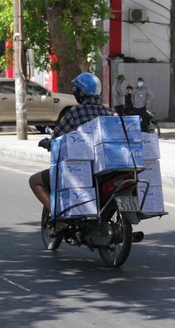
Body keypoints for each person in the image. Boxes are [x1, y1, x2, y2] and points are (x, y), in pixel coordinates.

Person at [29, 73, 115, 232]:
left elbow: (58, 136)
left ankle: (59, 218)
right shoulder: (110, 113)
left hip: (80, 170)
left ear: (81, 92)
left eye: (76, 89)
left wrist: (48, 142)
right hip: (108, 169)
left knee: (34, 181)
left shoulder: (76, 112)